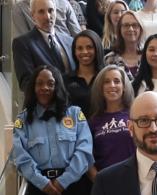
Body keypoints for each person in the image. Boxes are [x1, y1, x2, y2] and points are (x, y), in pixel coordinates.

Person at [12, 65, 94, 195]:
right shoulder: (23, 120)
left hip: (73, 185)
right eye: (39, 83)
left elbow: (84, 151)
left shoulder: (74, 114)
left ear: (58, 87)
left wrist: (63, 181)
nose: (45, 88)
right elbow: (20, 156)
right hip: (38, 187)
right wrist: (43, 183)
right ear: (33, 87)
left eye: (50, 83)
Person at [12, 0, 76, 91]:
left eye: (51, 11)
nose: (47, 16)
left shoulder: (69, 41)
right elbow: (26, 83)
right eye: (41, 12)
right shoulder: (22, 44)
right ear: (33, 15)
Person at [88, 65, 136, 181]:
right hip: (106, 182)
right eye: (107, 82)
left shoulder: (135, 115)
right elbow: (86, 157)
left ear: (124, 86)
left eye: (117, 81)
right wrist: (98, 180)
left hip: (134, 180)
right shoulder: (93, 121)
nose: (112, 85)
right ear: (101, 87)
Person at [64, 29, 105, 118]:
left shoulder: (106, 77)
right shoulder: (65, 80)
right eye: (79, 48)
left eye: (89, 47)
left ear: (97, 48)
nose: (84, 52)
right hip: (76, 129)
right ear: (74, 51)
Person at [104, 10, 144, 81]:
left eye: (135, 25)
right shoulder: (109, 59)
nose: (131, 29)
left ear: (140, 29)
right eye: (126, 25)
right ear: (119, 29)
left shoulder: (148, 57)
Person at [12, 0, 81, 38]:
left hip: (67, 49)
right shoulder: (20, 8)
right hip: (39, 53)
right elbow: (22, 41)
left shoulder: (64, 3)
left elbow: (78, 35)